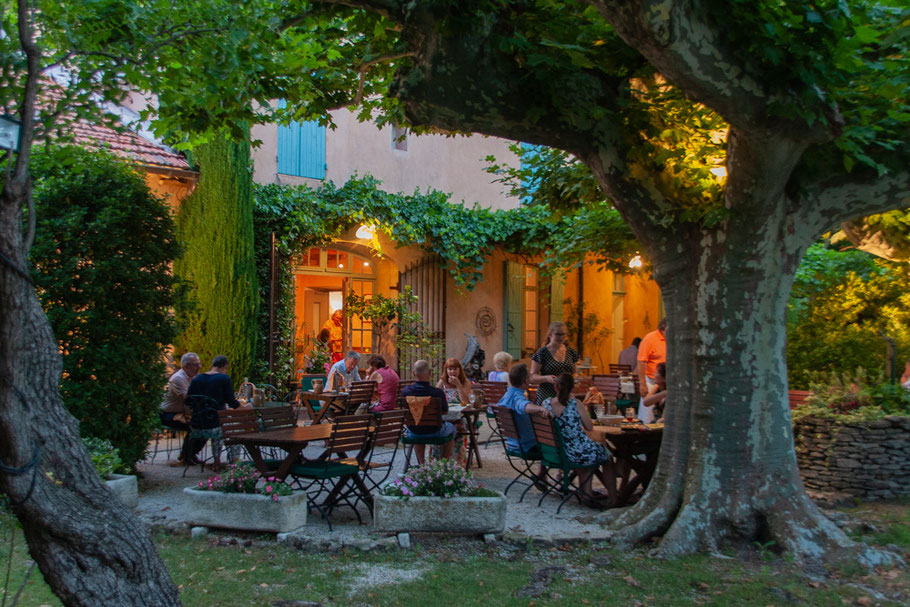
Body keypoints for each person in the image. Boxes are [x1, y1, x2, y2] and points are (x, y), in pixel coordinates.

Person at [543, 373, 611, 507]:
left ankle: (586, 492)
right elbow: (589, 427)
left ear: (556, 387)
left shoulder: (545, 403)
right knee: (606, 454)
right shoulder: (575, 404)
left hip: (554, 453)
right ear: (572, 388)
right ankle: (613, 497)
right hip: (574, 453)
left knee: (588, 451)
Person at [185, 355, 248, 470]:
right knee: (235, 429)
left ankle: (217, 462)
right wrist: (247, 408)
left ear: (212, 365)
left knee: (221, 425)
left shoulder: (197, 378)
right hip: (215, 425)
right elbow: (233, 403)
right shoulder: (224, 378)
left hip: (196, 426)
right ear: (225, 366)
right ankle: (235, 462)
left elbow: (188, 401)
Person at [401, 359, 455, 463]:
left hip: (413, 432)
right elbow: (444, 412)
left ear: (413, 373)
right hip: (435, 431)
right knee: (452, 428)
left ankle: (422, 463)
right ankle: (443, 463)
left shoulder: (405, 392)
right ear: (429, 373)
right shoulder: (437, 393)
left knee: (418, 426)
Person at [159, 352, 203, 465]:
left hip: (184, 413)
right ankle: (187, 456)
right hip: (169, 414)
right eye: (195, 364)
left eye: (199, 364)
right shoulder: (178, 378)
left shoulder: (194, 378)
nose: (199, 367)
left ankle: (190, 454)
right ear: (186, 366)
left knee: (208, 424)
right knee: (195, 425)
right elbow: (189, 399)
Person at [529, 321, 580, 406]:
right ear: (550, 334)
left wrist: (574, 379)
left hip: (565, 396)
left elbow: (574, 372)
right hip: (547, 395)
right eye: (558, 334)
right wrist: (546, 378)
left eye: (564, 334)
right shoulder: (542, 353)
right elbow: (532, 376)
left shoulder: (571, 352)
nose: (561, 337)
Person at [637, 318, 667, 421]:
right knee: (647, 413)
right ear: (663, 329)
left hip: (666, 379)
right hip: (651, 379)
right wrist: (642, 383)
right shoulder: (650, 339)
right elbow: (641, 361)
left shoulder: (673, 339)